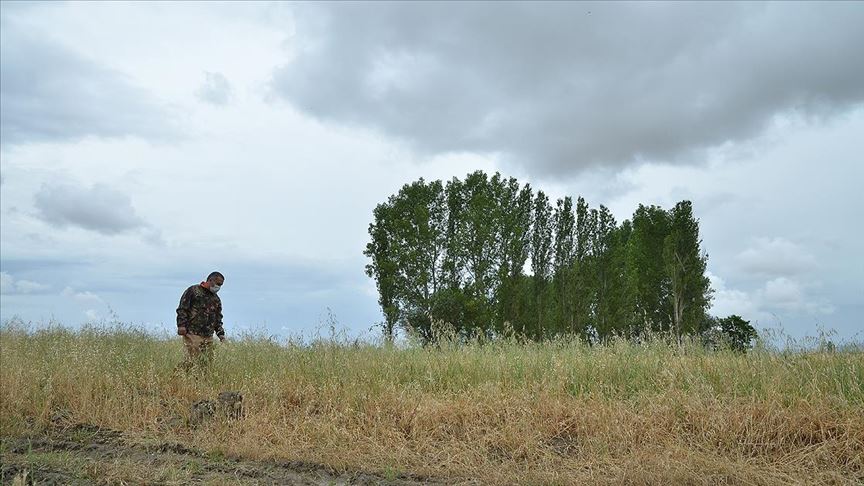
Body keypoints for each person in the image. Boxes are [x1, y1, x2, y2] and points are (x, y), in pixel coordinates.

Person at [176, 271, 226, 370]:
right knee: (191, 360)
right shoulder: (193, 291)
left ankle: (202, 383)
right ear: (210, 280)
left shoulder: (216, 299)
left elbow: (218, 318)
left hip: (208, 335)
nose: (218, 287)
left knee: (207, 363)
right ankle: (178, 378)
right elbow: (182, 308)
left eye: (221, 285)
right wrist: (181, 325)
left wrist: (221, 334)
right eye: (218, 284)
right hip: (192, 333)